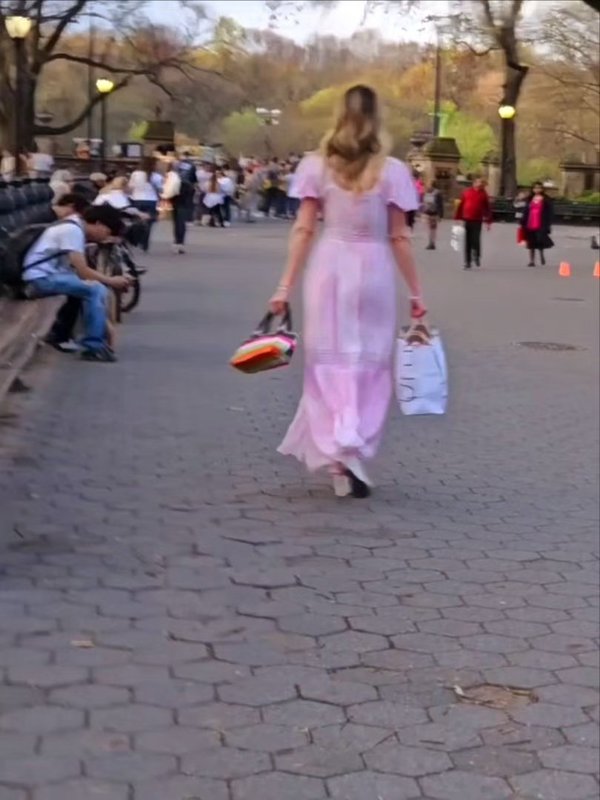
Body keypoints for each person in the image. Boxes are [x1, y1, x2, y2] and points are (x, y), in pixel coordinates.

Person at [268, 84, 424, 499]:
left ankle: (338, 447)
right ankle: (351, 444)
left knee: (328, 359)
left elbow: (303, 229)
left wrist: (284, 286)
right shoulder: (392, 171)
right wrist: (416, 294)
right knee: (368, 360)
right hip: (373, 267)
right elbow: (400, 237)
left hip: (329, 267)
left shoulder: (315, 167)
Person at [22, 199, 129, 362]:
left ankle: (83, 338)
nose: (105, 238)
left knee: (92, 287)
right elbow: (83, 271)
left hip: (47, 276)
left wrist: (107, 325)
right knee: (96, 289)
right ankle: (94, 346)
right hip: (40, 278)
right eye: (107, 232)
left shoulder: (74, 225)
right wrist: (111, 281)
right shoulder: (72, 231)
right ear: (98, 224)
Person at [454, 176, 492, 269]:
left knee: (476, 239)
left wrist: (488, 220)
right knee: (468, 240)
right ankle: (467, 261)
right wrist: (457, 218)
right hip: (467, 218)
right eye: (478, 182)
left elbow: (487, 207)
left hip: (477, 219)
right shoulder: (467, 192)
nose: (479, 184)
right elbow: (461, 205)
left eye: (481, 182)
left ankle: (476, 254)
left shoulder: (483, 194)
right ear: (474, 183)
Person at [129, 157, 163, 251]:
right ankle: (145, 242)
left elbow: (131, 187)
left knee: (137, 221)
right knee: (149, 222)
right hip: (151, 200)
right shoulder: (157, 176)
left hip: (137, 199)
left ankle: (136, 239)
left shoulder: (135, 174)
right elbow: (160, 189)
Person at [520, 182, 554, 267]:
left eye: (539, 188)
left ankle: (541, 253)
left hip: (541, 223)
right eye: (535, 188)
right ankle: (532, 261)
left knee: (540, 240)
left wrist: (548, 224)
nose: (537, 189)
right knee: (531, 242)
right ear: (533, 189)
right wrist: (522, 221)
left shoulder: (546, 199)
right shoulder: (529, 199)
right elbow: (525, 211)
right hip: (530, 222)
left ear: (542, 189)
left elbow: (550, 212)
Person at [422, 181, 444, 250]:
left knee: (431, 229)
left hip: (430, 213)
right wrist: (440, 215)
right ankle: (432, 242)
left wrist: (440, 215)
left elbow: (440, 205)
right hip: (432, 213)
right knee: (432, 229)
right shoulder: (437, 193)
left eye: (429, 185)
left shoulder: (429, 192)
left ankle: (431, 243)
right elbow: (440, 205)